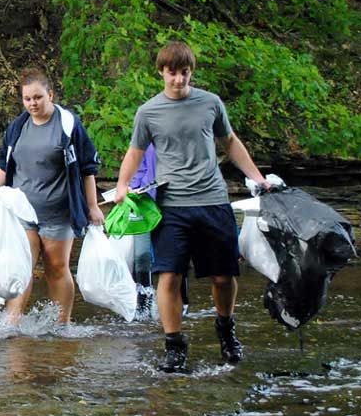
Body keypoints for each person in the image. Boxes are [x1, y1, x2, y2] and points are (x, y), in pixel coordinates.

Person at [113, 41, 270, 372]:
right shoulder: (148, 112)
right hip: (171, 206)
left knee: (224, 276)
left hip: (213, 200)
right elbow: (135, 152)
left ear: (191, 72)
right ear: (161, 72)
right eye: (172, 73)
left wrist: (257, 178)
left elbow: (230, 142)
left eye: (184, 73)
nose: (179, 80)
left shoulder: (211, 104)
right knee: (168, 275)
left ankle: (226, 331)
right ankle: (174, 345)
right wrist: (122, 186)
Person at [0, 68, 104, 327]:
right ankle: (11, 323)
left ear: (50, 94)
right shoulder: (18, 127)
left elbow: (87, 169)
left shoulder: (68, 124)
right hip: (22, 214)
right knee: (21, 269)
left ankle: (61, 324)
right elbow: (5, 168)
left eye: (38, 97)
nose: (32, 103)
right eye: (27, 98)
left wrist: (93, 206)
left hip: (58, 214)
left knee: (57, 269)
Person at [129, 143, 189, 317]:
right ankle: (144, 308)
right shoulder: (145, 137)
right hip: (145, 203)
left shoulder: (182, 137)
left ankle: (182, 303)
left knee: (175, 255)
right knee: (141, 255)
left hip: (176, 203)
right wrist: (133, 187)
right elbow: (138, 166)